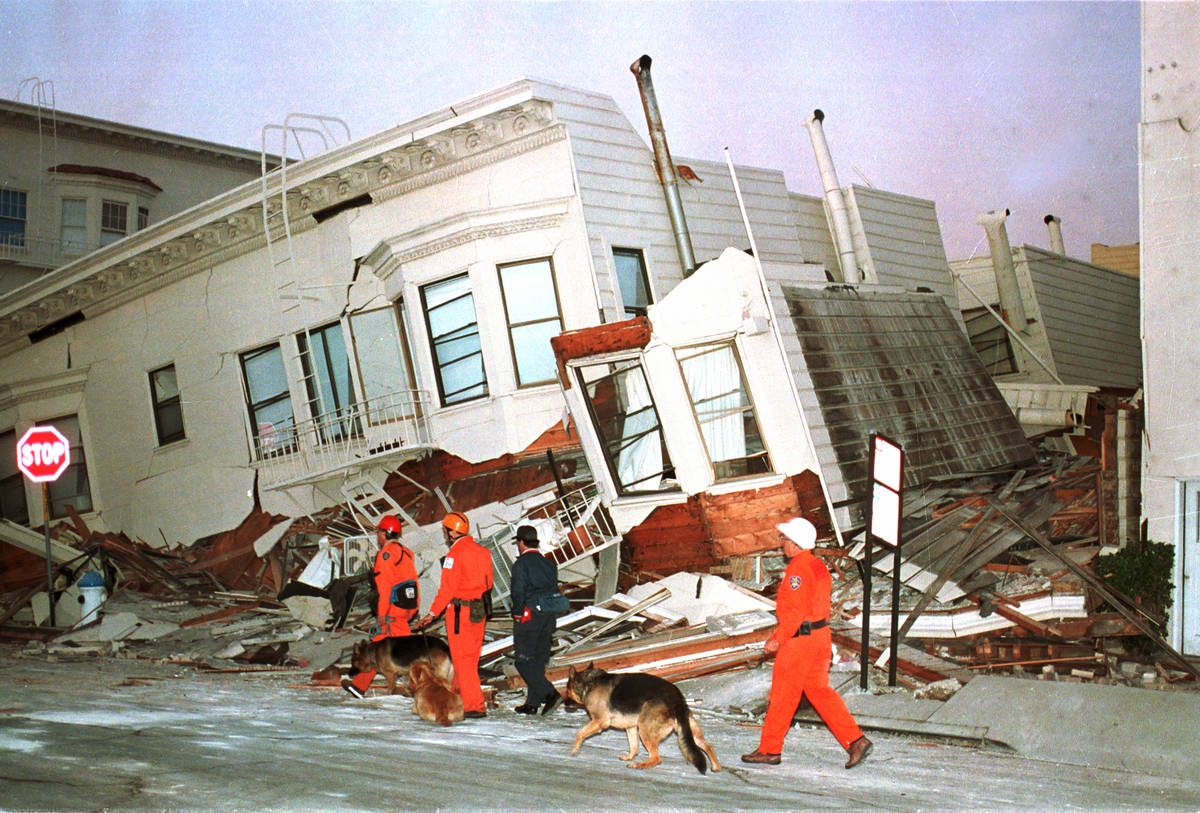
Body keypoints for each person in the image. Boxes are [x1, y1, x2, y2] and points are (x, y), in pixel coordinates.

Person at [741, 516, 873, 770]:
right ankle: (856, 740)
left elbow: (795, 612)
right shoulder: (818, 566)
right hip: (820, 638)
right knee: (819, 692)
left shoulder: (797, 571)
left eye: (785, 539)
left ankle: (769, 749)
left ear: (796, 543)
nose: (782, 544)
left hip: (799, 642)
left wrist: (777, 639)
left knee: (782, 696)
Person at [414, 511, 494, 719]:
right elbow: (488, 584)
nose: (444, 535)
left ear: (452, 532)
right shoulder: (483, 552)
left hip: (460, 613)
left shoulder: (454, 555)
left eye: (445, 531)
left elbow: (447, 589)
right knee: (471, 657)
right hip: (479, 610)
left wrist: (432, 613)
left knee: (462, 660)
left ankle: (474, 705)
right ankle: (458, 696)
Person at [343, 514, 420, 699]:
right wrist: (411, 611)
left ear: (385, 533)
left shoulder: (386, 555)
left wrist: (382, 613)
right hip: (404, 608)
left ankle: (420, 687)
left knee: (402, 653)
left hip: (392, 610)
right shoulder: (405, 553)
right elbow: (413, 584)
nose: (377, 535)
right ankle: (359, 686)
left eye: (378, 531)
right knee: (382, 648)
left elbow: (385, 588)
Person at [508, 524, 562, 715]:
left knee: (523, 661)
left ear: (521, 543)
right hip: (547, 616)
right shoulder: (549, 564)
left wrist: (517, 613)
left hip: (529, 617)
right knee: (538, 661)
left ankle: (550, 694)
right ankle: (532, 703)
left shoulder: (521, 564)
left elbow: (518, 592)